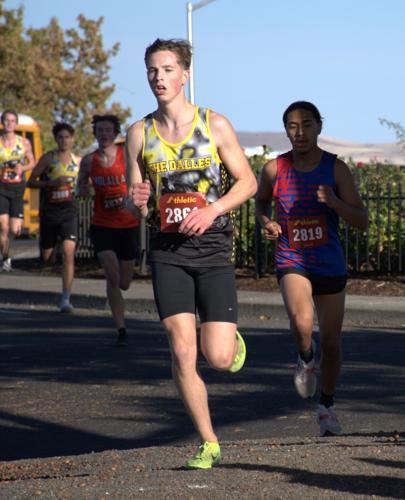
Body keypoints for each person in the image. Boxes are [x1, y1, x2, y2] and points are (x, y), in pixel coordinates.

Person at [126, 38, 257, 469]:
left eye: (166, 70)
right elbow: (137, 200)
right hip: (167, 251)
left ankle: (226, 342)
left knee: (216, 357)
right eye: (152, 70)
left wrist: (214, 209)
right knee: (182, 350)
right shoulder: (139, 134)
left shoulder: (214, 124)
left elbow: (248, 183)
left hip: (213, 248)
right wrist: (139, 198)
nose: (158, 78)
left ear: (185, 75)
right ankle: (208, 440)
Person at [256, 101, 368, 436]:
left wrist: (335, 202)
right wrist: (266, 221)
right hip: (292, 258)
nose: (299, 132)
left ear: (319, 127)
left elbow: (361, 220)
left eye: (306, 124)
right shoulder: (275, 169)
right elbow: (261, 200)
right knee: (302, 321)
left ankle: (326, 406)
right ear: (286, 130)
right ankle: (306, 358)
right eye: (292, 126)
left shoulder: (336, 169)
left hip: (328, 262)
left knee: (331, 343)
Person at [76, 114, 139, 345]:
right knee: (112, 278)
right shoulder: (89, 161)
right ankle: (121, 328)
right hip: (102, 225)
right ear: (95, 133)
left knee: (124, 282)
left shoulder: (126, 156)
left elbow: (141, 179)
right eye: (100, 130)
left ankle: (121, 320)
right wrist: (82, 189)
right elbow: (81, 183)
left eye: (107, 130)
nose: (103, 134)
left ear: (115, 133)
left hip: (128, 225)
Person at [27, 123, 81, 313]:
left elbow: (86, 182)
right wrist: (51, 183)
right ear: (56, 139)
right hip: (50, 212)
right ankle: (52, 248)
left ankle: (66, 299)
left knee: (68, 254)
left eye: (67, 137)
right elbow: (31, 181)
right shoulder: (49, 158)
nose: (64, 140)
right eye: (60, 137)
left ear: (72, 139)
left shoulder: (78, 161)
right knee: (48, 257)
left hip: (69, 212)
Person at [0, 109, 35, 271]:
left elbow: (32, 162)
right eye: (6, 120)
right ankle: (6, 259)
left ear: (16, 124)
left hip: (17, 190)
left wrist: (23, 168)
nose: (9, 124)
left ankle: (5, 251)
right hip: (1, 188)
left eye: (12, 121)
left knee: (14, 229)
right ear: (2, 122)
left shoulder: (24, 143)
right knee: (3, 226)